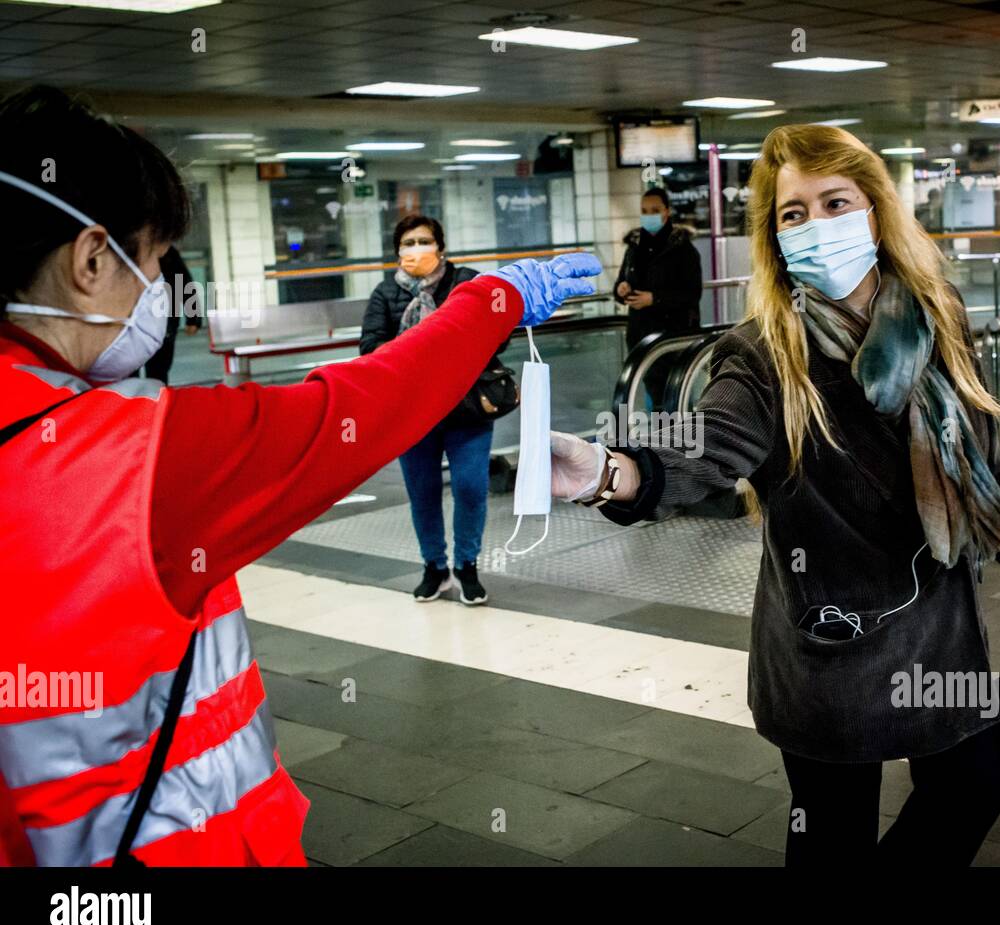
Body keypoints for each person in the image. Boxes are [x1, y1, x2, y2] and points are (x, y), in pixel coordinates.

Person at [0, 85, 599, 867]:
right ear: (88, 260)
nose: (156, 288)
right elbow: (362, 407)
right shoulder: (123, 457)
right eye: (147, 260)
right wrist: (501, 295)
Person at [550, 124, 1000, 868]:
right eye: (793, 213)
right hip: (833, 644)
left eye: (835, 202)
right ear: (773, 234)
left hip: (938, 629)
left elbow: (979, 463)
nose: (816, 226)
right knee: (832, 833)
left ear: (874, 210)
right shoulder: (766, 354)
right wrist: (609, 473)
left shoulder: (938, 316)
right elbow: (709, 447)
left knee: (970, 787)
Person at [361, 215, 501, 605]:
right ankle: (434, 568)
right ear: (397, 251)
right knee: (422, 493)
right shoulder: (386, 293)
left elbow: (496, 331)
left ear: (441, 246)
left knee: (471, 489)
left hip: (467, 407)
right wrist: (409, 353)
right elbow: (370, 345)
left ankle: (467, 566)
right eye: (409, 242)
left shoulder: (467, 283)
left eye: (425, 241)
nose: (417, 249)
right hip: (413, 413)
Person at [614, 186, 702, 410]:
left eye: (655, 210)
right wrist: (622, 289)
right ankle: (664, 441)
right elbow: (621, 282)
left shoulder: (683, 250)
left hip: (671, 337)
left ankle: (678, 442)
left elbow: (691, 294)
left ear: (667, 212)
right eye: (645, 210)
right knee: (655, 397)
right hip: (640, 336)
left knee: (672, 397)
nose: (649, 215)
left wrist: (654, 299)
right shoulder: (634, 248)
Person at [140, 245, 201, 383]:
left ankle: (157, 399)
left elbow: (184, 282)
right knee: (127, 368)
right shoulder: (127, 246)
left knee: (158, 369)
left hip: (166, 317)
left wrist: (193, 318)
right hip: (136, 316)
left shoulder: (167, 251)